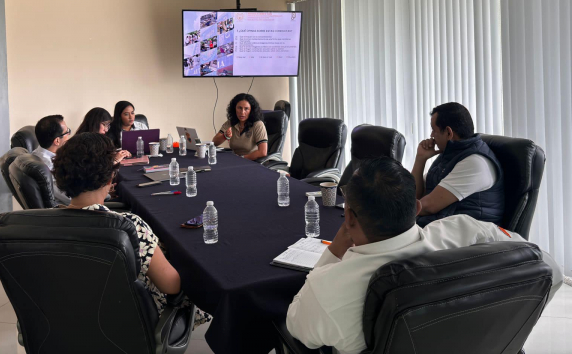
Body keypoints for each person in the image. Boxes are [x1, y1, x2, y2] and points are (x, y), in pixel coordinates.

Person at [286, 157, 562, 354]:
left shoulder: (330, 289)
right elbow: (547, 267)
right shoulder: (465, 230)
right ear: (416, 208)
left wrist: (335, 250)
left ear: (348, 217)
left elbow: (297, 329)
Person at [51, 133, 212, 327]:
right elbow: (171, 285)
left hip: (67, 323)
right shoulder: (129, 228)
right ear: (111, 175)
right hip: (127, 325)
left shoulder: (43, 224)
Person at [411, 102, 505, 227]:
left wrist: (392, 215)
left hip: (469, 238)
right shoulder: (449, 155)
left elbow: (429, 206)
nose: (431, 136)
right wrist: (420, 159)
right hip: (443, 228)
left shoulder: (475, 162)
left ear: (449, 133)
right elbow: (414, 195)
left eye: (434, 130)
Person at [212, 93, 268, 160]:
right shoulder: (230, 123)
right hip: (235, 161)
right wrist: (225, 136)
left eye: (246, 109)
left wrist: (241, 158)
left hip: (252, 162)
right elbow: (214, 142)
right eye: (239, 108)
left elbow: (262, 152)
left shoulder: (258, 125)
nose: (242, 112)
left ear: (251, 110)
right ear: (234, 108)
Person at [32, 115, 72, 206]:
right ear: (57, 141)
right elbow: (71, 198)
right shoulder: (48, 167)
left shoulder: (37, 153)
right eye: (67, 132)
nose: (69, 135)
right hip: (69, 214)